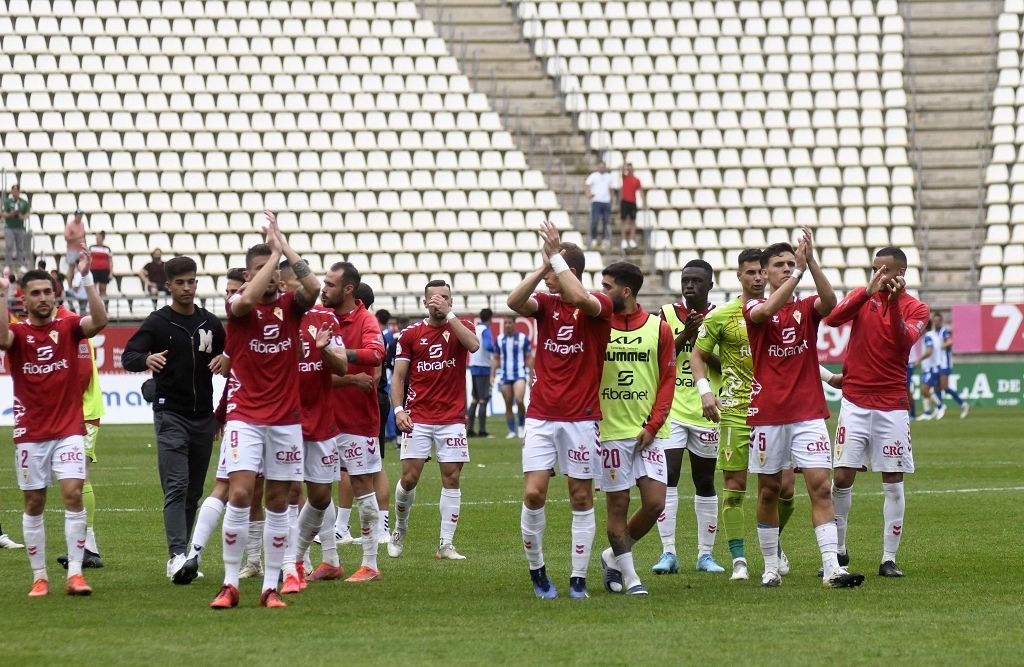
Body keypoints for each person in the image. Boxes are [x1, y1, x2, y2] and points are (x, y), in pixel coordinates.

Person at [208, 213, 321, 609]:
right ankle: (229, 582)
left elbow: (314, 285)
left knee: (279, 500)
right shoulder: (238, 304)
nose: (270, 275)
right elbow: (249, 299)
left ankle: (270, 587)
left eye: (273, 270)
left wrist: (283, 247)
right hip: (246, 417)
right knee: (239, 493)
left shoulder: (292, 307)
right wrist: (272, 258)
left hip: (286, 420)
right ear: (246, 274)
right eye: (259, 270)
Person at [743, 231, 864, 589]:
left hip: (808, 412)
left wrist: (809, 262)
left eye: (788, 263)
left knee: (820, 487)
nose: (784, 268)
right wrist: (797, 271)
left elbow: (831, 302)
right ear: (764, 273)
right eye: (777, 265)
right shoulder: (751, 308)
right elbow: (766, 311)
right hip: (767, 413)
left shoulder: (805, 307)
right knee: (768, 491)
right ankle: (769, 565)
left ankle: (831, 568)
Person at [507, 221, 613, 599]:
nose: (547, 278)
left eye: (552, 270)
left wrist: (555, 259)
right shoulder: (546, 305)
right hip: (541, 415)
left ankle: (578, 578)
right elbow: (514, 301)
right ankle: (537, 572)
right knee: (534, 494)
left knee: (580, 498)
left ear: (569, 270)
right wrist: (543, 266)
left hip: (582, 418)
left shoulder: (600, 304)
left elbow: (582, 300)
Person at [0, 245, 108, 596]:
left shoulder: (69, 326)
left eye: (48, 292)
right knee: (34, 503)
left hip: (68, 431)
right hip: (31, 434)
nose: (44, 298)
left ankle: (75, 573)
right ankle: (39, 576)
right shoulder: (18, 335)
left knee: (73, 493)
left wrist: (87, 278)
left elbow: (100, 321)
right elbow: (3, 338)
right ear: (24, 299)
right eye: (36, 293)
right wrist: (1, 295)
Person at [825, 247, 930, 579]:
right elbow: (832, 319)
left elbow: (903, 342)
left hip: (892, 406)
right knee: (842, 477)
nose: (877, 276)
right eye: (874, 270)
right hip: (855, 401)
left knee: (893, 481)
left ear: (901, 273)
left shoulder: (917, 307)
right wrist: (864, 293)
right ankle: (839, 551)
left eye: (883, 271)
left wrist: (895, 303)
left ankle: (888, 558)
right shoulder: (862, 298)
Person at [122, 256, 227, 583]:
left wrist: (227, 358)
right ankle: (176, 556)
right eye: (179, 282)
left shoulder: (211, 323)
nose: (186, 287)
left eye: (191, 281)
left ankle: (187, 555)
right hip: (170, 415)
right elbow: (129, 356)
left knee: (194, 491)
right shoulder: (157, 323)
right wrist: (145, 359)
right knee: (177, 487)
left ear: (197, 283)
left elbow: (235, 355)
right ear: (168, 285)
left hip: (203, 417)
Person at [595, 262, 673, 597]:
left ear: (626, 292)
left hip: (648, 432)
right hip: (609, 431)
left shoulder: (659, 328)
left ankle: (612, 556)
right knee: (618, 505)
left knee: (655, 504)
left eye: (607, 286)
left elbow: (667, 380)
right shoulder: (597, 325)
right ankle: (631, 578)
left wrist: (655, 424)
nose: (602, 291)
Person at [388, 280, 480, 561]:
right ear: (424, 302)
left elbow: (474, 346)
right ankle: (400, 528)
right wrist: (398, 409)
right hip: (419, 416)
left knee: (451, 478)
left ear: (451, 301)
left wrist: (450, 316)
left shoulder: (462, 328)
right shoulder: (410, 334)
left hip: (451, 418)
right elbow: (399, 377)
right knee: (409, 477)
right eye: (434, 297)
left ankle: (445, 544)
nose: (439, 301)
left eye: (445, 297)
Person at [275, 263, 348, 593]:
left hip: (320, 420)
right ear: (281, 283)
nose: (307, 289)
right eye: (297, 283)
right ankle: (290, 564)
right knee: (289, 492)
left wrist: (324, 351)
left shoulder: (326, 319)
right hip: (284, 418)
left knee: (319, 497)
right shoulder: (274, 317)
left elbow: (343, 366)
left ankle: (296, 556)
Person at [653, 259, 726, 576]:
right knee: (668, 476)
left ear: (709, 284)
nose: (689, 285)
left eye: (696, 280)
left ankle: (705, 555)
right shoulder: (666, 315)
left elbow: (729, 365)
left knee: (705, 480)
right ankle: (668, 552)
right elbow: (660, 356)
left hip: (708, 409)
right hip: (673, 409)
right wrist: (686, 335)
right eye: (685, 280)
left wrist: (702, 345)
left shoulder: (722, 317)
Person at [318, 262, 387, 583]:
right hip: (321, 421)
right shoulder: (319, 318)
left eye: (330, 284)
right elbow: (309, 376)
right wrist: (347, 377)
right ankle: (329, 560)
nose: (323, 288)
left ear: (347, 289)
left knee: (362, 487)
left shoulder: (365, 320)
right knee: (315, 491)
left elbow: (376, 356)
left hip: (357, 423)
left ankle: (370, 565)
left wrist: (342, 356)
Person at [56, 301, 105, 571]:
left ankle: (87, 546)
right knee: (72, 477)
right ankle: (88, 546)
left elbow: (83, 371)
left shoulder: (71, 322)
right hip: (67, 412)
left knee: (80, 475)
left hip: (83, 411)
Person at [494, 318, 532, 439]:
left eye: (510, 323)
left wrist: (531, 376)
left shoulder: (522, 338)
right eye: (506, 323)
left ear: (514, 325)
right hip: (505, 376)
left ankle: (521, 426)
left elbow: (530, 357)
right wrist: (492, 375)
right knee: (508, 403)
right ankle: (511, 430)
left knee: (519, 400)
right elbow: (495, 358)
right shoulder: (500, 339)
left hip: (519, 374)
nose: (508, 325)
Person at [930, 313, 969, 419]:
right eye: (934, 320)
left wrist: (940, 346)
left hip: (944, 363)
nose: (936, 322)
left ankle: (963, 404)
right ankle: (939, 408)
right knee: (937, 386)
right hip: (937, 363)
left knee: (944, 387)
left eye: (938, 320)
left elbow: (950, 341)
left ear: (941, 321)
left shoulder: (944, 332)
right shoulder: (934, 333)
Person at [467, 308, 496, 438]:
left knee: (475, 399)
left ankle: (470, 429)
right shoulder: (486, 330)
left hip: (473, 366)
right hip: (484, 367)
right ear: (490, 318)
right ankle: (482, 431)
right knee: (483, 399)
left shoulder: (476, 328)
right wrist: (496, 349)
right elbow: (489, 345)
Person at [2, 184, 33, 272]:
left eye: (17, 191)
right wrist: (11, 214)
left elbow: (27, 214)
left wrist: (21, 216)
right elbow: (3, 214)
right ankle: (7, 265)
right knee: (9, 246)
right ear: (11, 192)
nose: (15, 192)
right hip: (9, 227)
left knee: (20, 247)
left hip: (20, 227)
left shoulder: (24, 202)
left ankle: (21, 264)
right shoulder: (7, 202)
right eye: (14, 190)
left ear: (19, 192)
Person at [585, 162, 614, 249]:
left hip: (606, 202)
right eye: (600, 167)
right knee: (595, 221)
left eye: (603, 167)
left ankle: (605, 240)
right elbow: (586, 185)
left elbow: (611, 189)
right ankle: (594, 240)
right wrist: (588, 194)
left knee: (606, 221)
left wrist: (611, 199)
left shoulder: (609, 176)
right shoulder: (594, 175)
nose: (601, 168)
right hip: (596, 201)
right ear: (598, 167)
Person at [617, 163, 642, 251]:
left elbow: (641, 191)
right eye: (628, 168)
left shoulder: (637, 180)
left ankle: (632, 240)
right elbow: (621, 171)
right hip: (624, 201)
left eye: (631, 168)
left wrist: (643, 202)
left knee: (632, 222)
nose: (629, 170)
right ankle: (623, 240)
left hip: (633, 202)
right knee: (623, 221)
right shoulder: (625, 177)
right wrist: (625, 161)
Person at [88, 231, 112, 298]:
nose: (97, 239)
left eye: (99, 237)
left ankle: (103, 305)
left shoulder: (107, 249)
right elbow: (88, 259)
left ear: (103, 238)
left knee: (103, 289)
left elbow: (110, 261)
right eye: (96, 237)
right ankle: (96, 306)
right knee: (93, 289)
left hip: (104, 270)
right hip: (93, 270)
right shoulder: (91, 247)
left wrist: (111, 273)